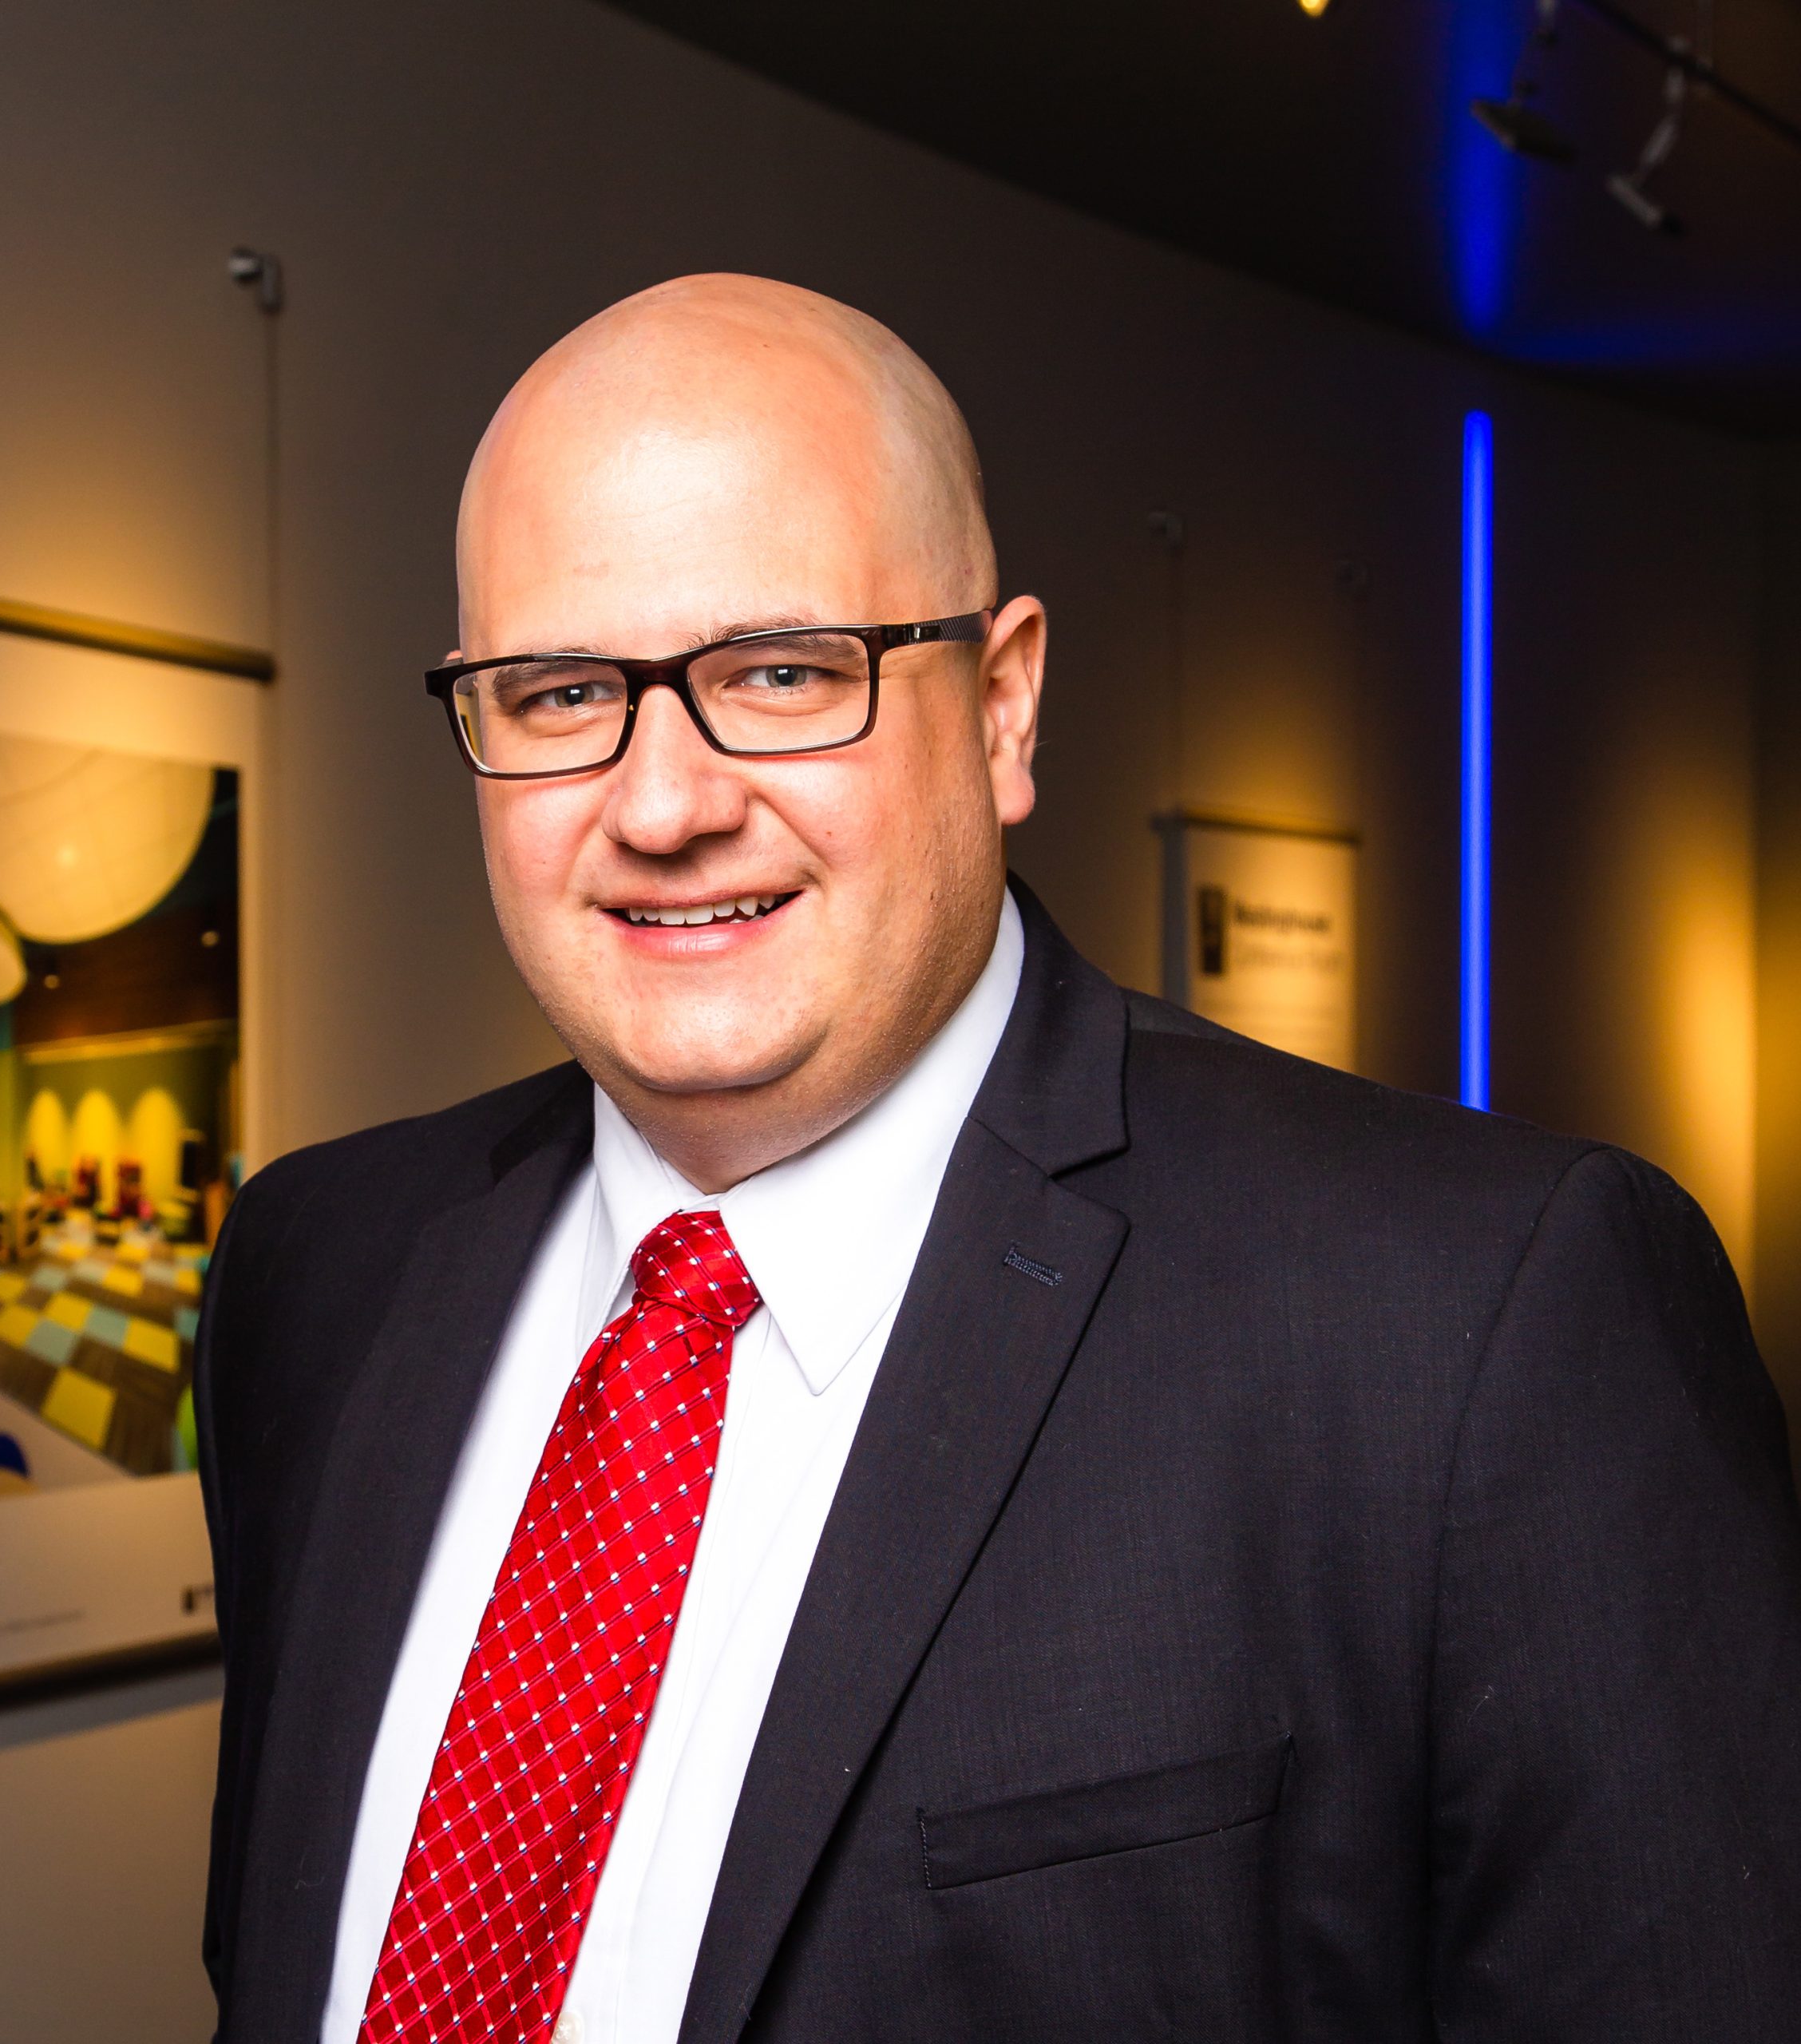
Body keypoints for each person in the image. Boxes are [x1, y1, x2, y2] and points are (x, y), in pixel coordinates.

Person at [194, 275, 1801, 2044]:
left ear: (1004, 704)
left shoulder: (1473, 1322)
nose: (662, 805)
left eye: (781, 673)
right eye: (562, 692)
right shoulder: (318, 1274)